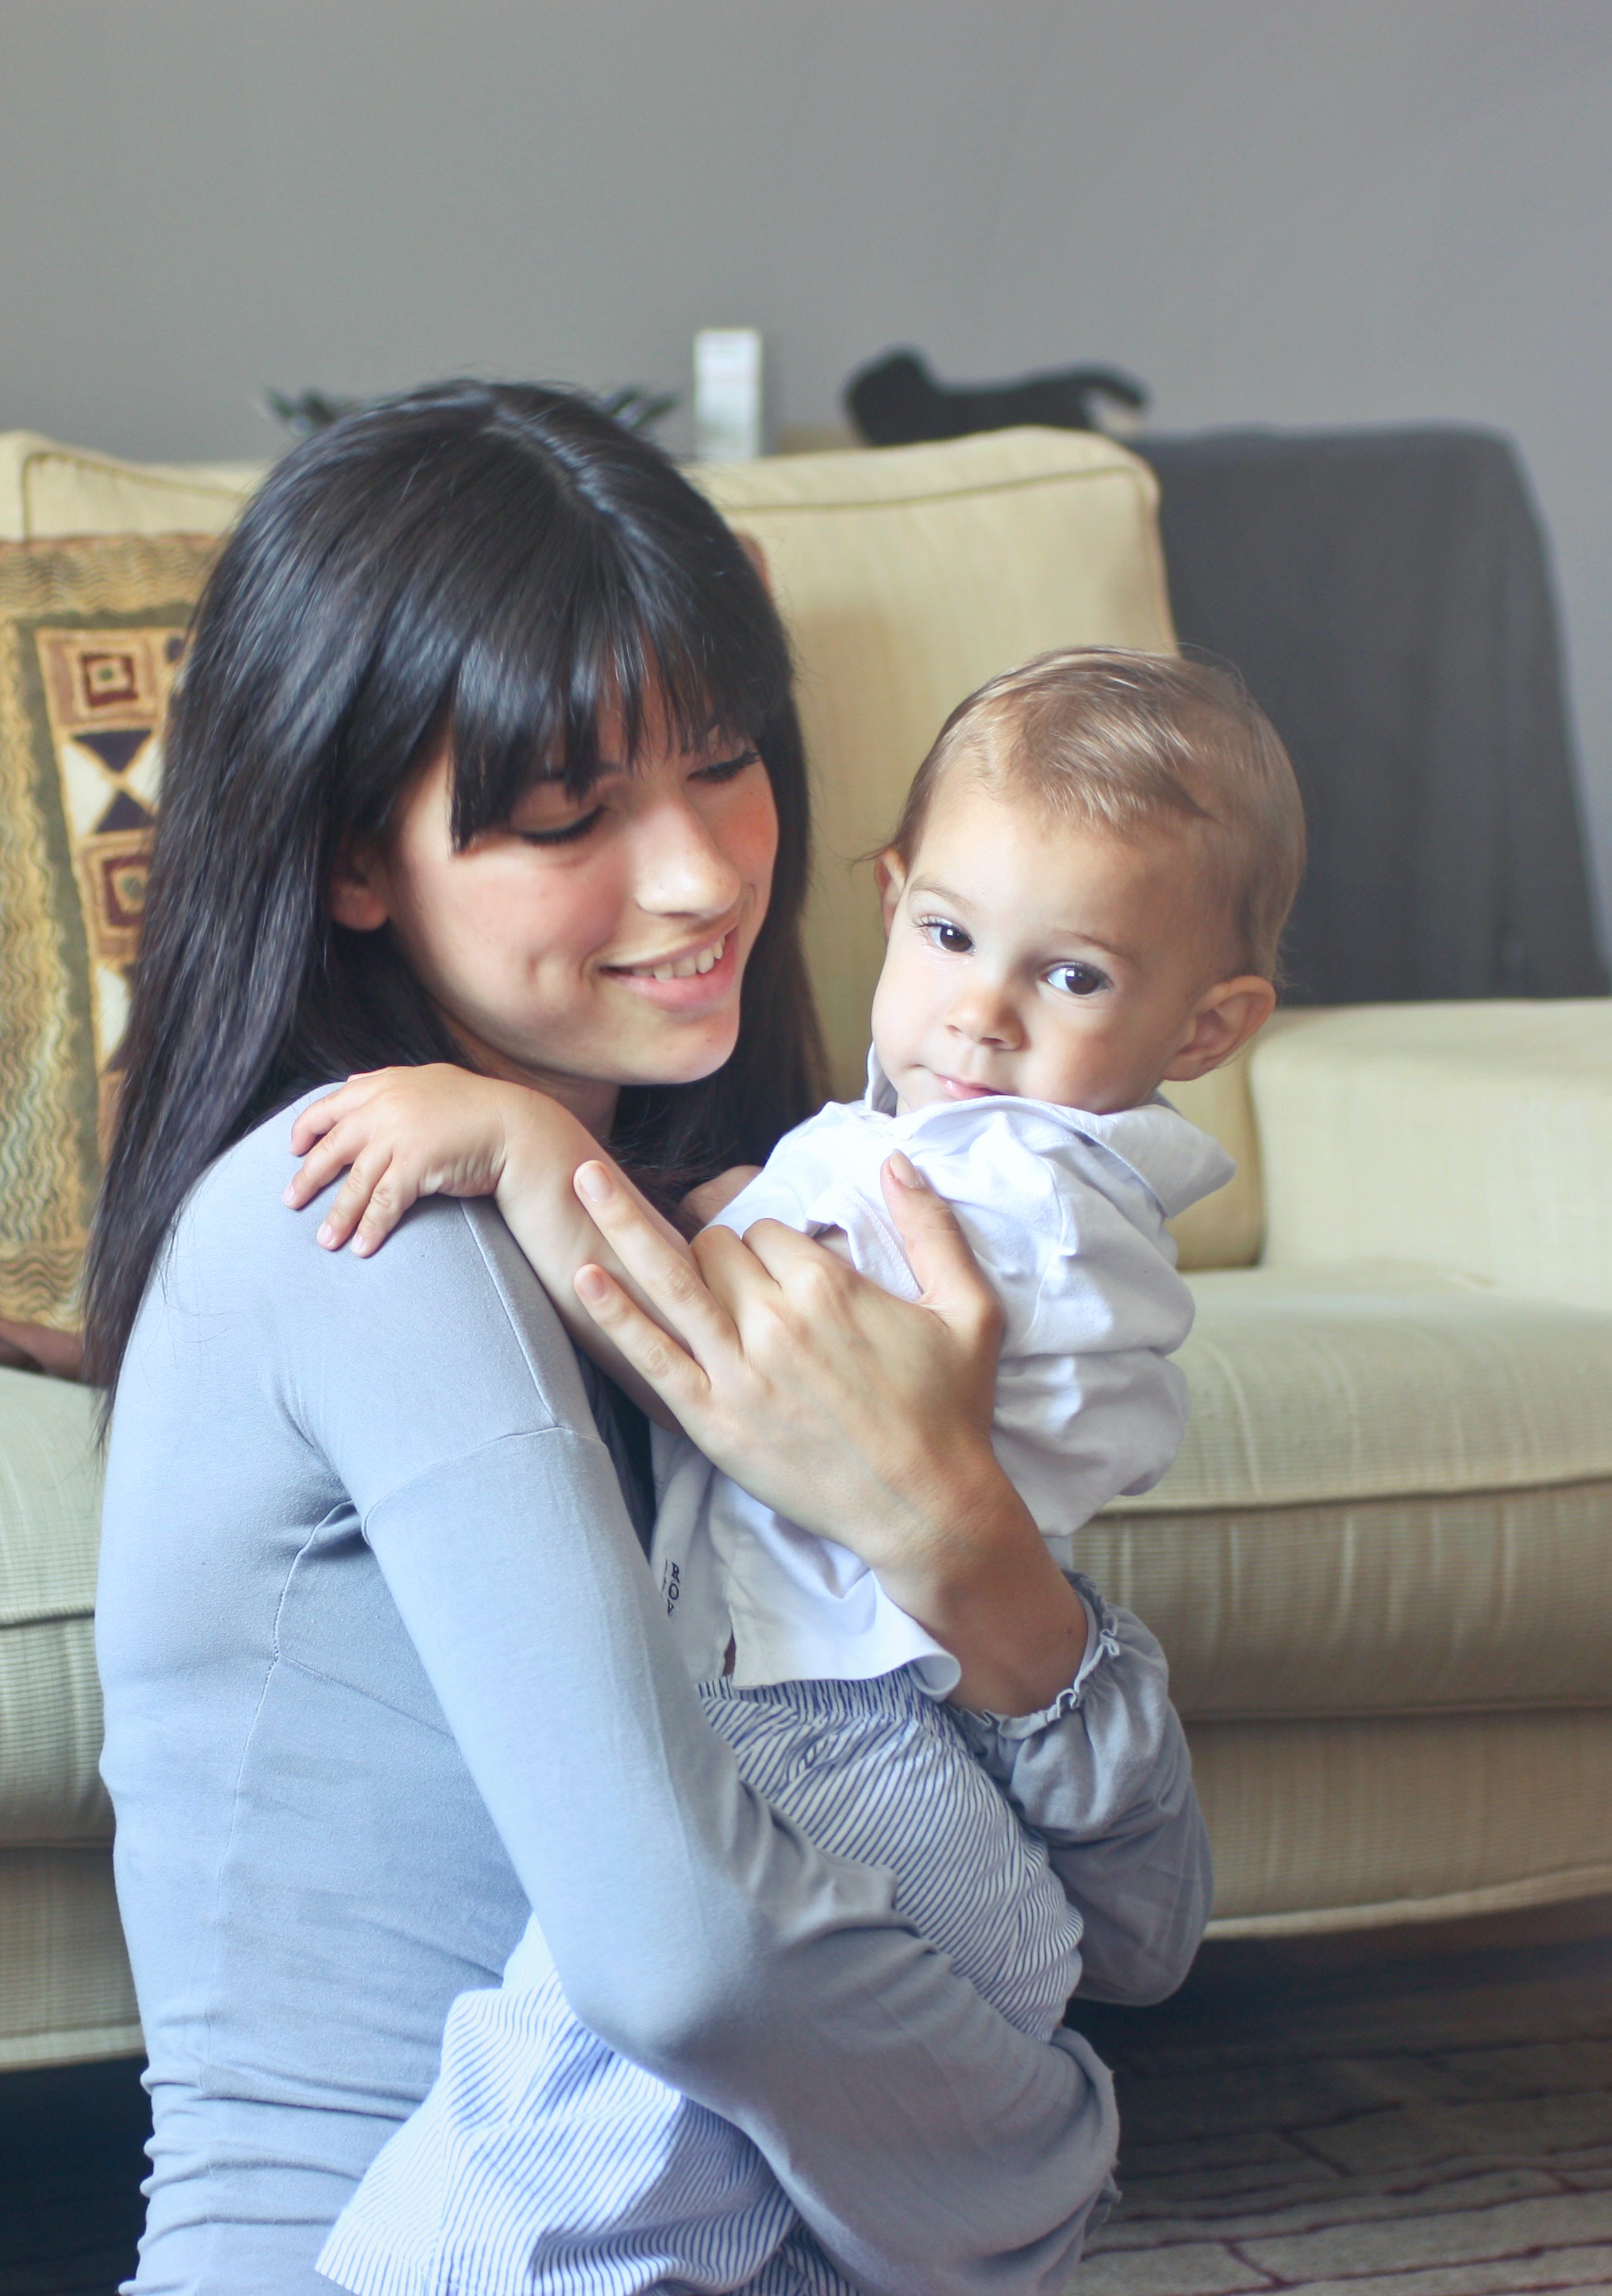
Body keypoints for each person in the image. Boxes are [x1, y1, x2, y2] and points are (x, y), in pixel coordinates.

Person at [88, 381, 1210, 2296]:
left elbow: (1146, 1921)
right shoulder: (358, 1215)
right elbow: (681, 1951)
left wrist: (960, 1535)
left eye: (722, 761)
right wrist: (1047, 2148)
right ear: (361, 861)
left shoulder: (773, 1236)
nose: (697, 876)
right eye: (567, 815)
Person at [282, 650, 1303, 2295]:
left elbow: (715, 1358)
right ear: (893, 898)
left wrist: (530, 1141)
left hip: (826, 1722)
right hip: (878, 1725)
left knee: (560, 2109)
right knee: (707, 2188)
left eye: (1076, 977)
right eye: (954, 936)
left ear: (1211, 1024)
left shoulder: (1015, 1181)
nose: (981, 1007)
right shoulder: (931, 1150)